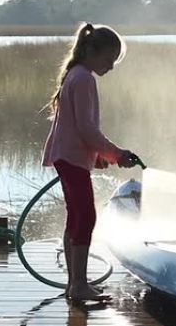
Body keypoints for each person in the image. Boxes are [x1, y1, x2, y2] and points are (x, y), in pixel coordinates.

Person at [42, 22, 139, 301]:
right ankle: (79, 285)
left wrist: (95, 155)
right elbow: (86, 128)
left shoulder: (76, 73)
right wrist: (116, 154)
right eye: (109, 59)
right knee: (85, 217)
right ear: (93, 52)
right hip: (70, 156)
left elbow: (75, 126)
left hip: (69, 155)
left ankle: (74, 284)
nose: (110, 66)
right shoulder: (84, 78)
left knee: (76, 217)